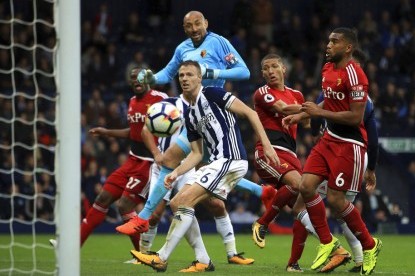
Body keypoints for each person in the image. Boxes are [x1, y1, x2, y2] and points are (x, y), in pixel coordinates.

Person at [129, 61, 279, 272]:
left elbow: (250, 113)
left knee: (185, 200)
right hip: (216, 162)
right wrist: (176, 172)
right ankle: (203, 259)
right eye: (181, 75)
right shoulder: (190, 115)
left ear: (199, 78)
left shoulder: (213, 93)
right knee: (176, 203)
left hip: (231, 160)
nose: (184, 78)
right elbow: (197, 154)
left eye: (190, 74)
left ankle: (161, 257)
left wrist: (266, 145)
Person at [283, 28, 382, 275]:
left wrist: (318, 114)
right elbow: (329, 100)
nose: (328, 45)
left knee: (338, 202)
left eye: (334, 41)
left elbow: (355, 116)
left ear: (348, 47)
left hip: (350, 145)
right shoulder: (327, 68)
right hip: (328, 140)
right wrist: (302, 114)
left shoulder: (356, 74)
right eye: (328, 40)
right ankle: (328, 243)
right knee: (305, 187)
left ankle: (369, 246)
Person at [49, 68, 168, 258]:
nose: (135, 80)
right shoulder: (131, 102)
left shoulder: (160, 98)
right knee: (102, 199)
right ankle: (69, 248)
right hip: (131, 160)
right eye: (132, 78)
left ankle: (142, 254)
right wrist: (106, 132)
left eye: (138, 77)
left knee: (124, 205)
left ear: (146, 79)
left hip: (148, 164)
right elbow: (133, 132)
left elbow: (175, 119)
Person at [250, 54, 350, 272]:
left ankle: (293, 263)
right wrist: (316, 108)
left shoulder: (296, 94)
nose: (270, 71)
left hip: (291, 155)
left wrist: (311, 114)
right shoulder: (262, 93)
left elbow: (305, 121)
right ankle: (263, 222)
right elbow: (284, 109)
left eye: (274, 66)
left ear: (284, 69)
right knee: (297, 185)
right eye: (265, 68)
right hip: (269, 152)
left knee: (302, 207)